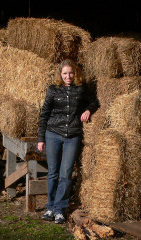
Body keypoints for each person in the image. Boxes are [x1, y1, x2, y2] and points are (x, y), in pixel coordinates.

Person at [37, 59, 99, 224]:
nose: (68, 76)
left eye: (70, 73)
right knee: (53, 173)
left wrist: (88, 110)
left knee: (65, 174)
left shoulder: (81, 89)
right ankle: (50, 207)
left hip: (72, 135)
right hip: (53, 134)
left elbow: (94, 102)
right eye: (65, 73)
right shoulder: (53, 90)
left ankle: (59, 209)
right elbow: (44, 114)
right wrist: (41, 138)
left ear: (75, 73)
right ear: (60, 75)